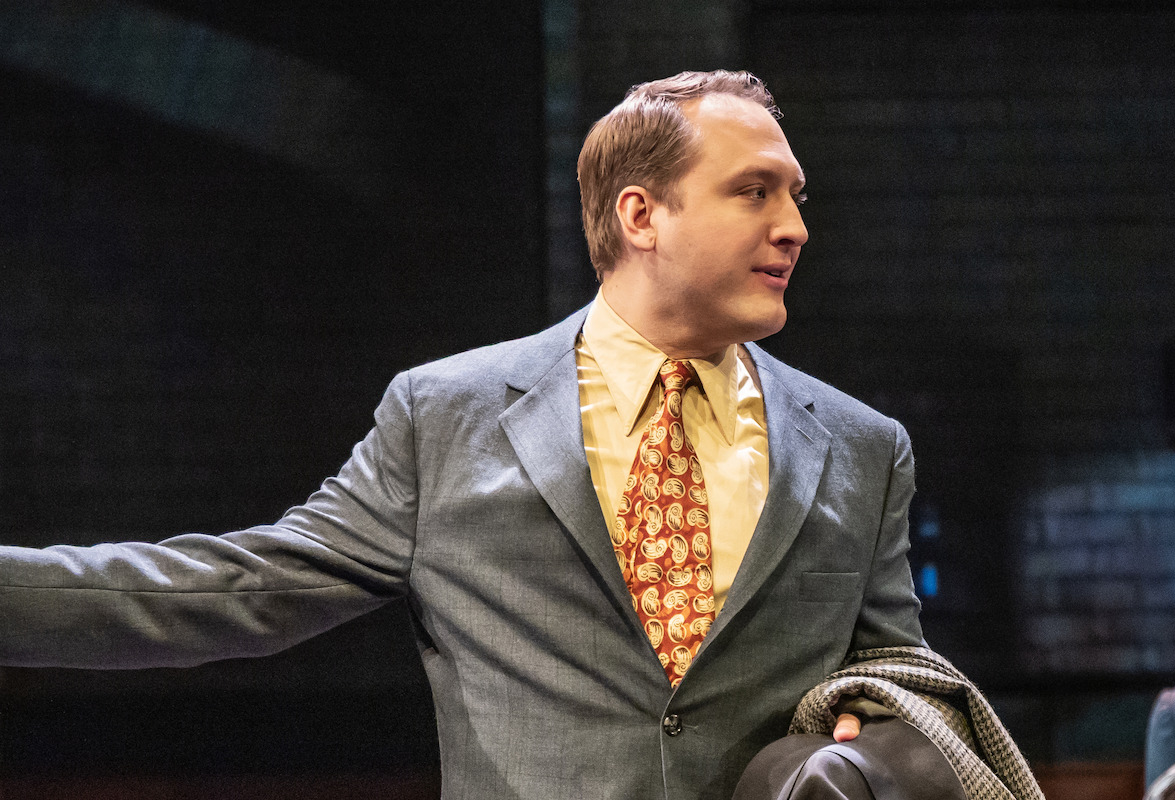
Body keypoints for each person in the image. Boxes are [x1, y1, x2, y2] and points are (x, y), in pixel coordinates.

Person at [1, 70, 934, 798]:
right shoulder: (447, 415)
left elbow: (900, 670)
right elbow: (234, 589)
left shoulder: (861, 445)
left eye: (796, 195)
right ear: (641, 214)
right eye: (756, 192)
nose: (796, 227)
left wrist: (869, 713)